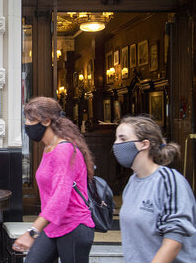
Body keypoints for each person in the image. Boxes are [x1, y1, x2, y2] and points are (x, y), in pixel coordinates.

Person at [13, 96, 95, 263]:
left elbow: (60, 197)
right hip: (53, 226)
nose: (27, 124)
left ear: (46, 121)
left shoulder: (63, 150)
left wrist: (32, 232)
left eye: (30, 119)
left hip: (73, 226)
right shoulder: (49, 148)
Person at [113, 115, 196, 263]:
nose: (116, 144)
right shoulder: (133, 181)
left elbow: (174, 240)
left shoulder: (169, 180)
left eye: (123, 139)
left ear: (144, 144)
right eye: (117, 138)